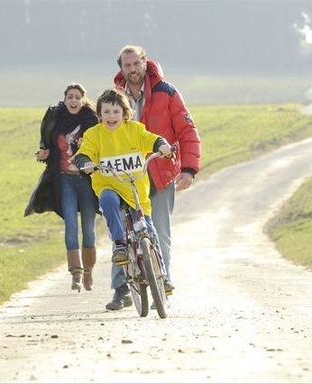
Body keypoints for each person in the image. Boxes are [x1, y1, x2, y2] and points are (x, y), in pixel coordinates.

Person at [109, 45, 201, 309]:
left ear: (144, 63)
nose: (132, 70)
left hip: (159, 172)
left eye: (136, 64)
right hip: (125, 174)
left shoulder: (167, 93)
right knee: (121, 233)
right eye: (127, 66)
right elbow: (100, 131)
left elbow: (187, 130)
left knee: (159, 230)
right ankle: (120, 291)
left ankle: (164, 282)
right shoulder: (114, 97)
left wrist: (189, 169)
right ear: (121, 68)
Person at [74, 88, 173, 310]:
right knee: (108, 200)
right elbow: (84, 153)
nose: (111, 116)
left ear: (125, 113)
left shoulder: (135, 130)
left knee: (148, 229)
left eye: (115, 111)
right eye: (106, 111)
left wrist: (162, 147)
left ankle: (162, 276)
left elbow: (153, 140)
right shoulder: (94, 134)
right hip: (109, 185)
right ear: (99, 114)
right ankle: (120, 244)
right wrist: (85, 163)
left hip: (135, 190)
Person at [24, 83, 99, 292]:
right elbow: (46, 143)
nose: (73, 101)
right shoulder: (55, 120)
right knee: (70, 225)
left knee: (89, 228)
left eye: (77, 97)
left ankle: (88, 271)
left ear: (83, 100)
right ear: (65, 99)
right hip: (65, 179)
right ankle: (75, 272)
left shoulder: (92, 122)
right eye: (70, 97)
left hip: (86, 181)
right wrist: (44, 153)